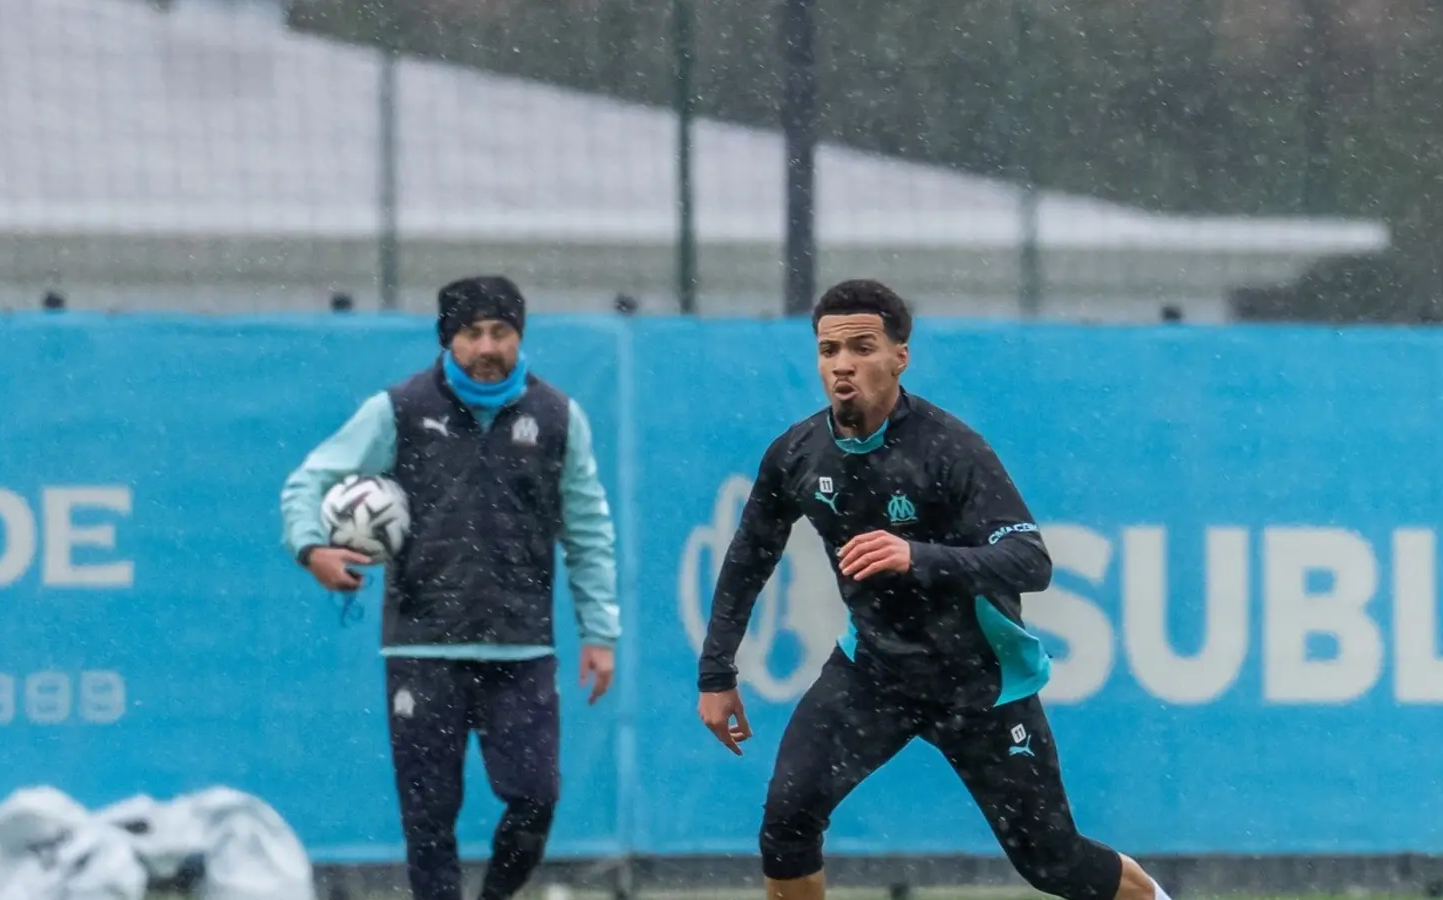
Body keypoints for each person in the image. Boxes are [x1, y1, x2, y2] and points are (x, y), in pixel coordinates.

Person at [696, 280, 1172, 900]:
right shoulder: (796, 454)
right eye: (828, 349)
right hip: (873, 672)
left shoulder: (952, 449)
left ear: (900, 356)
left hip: (976, 682)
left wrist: (916, 556)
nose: (843, 365)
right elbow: (747, 559)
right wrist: (716, 672)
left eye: (862, 347)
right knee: (788, 820)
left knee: (1053, 861)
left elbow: (1030, 561)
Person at [280, 275, 620, 900]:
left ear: (519, 335)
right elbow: (309, 479)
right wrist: (311, 547)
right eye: (471, 333)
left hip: (520, 650)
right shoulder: (399, 409)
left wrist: (599, 630)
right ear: (448, 339)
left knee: (535, 798)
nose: (487, 347)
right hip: (421, 648)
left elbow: (590, 529)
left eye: (501, 332)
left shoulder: (557, 417)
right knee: (428, 818)